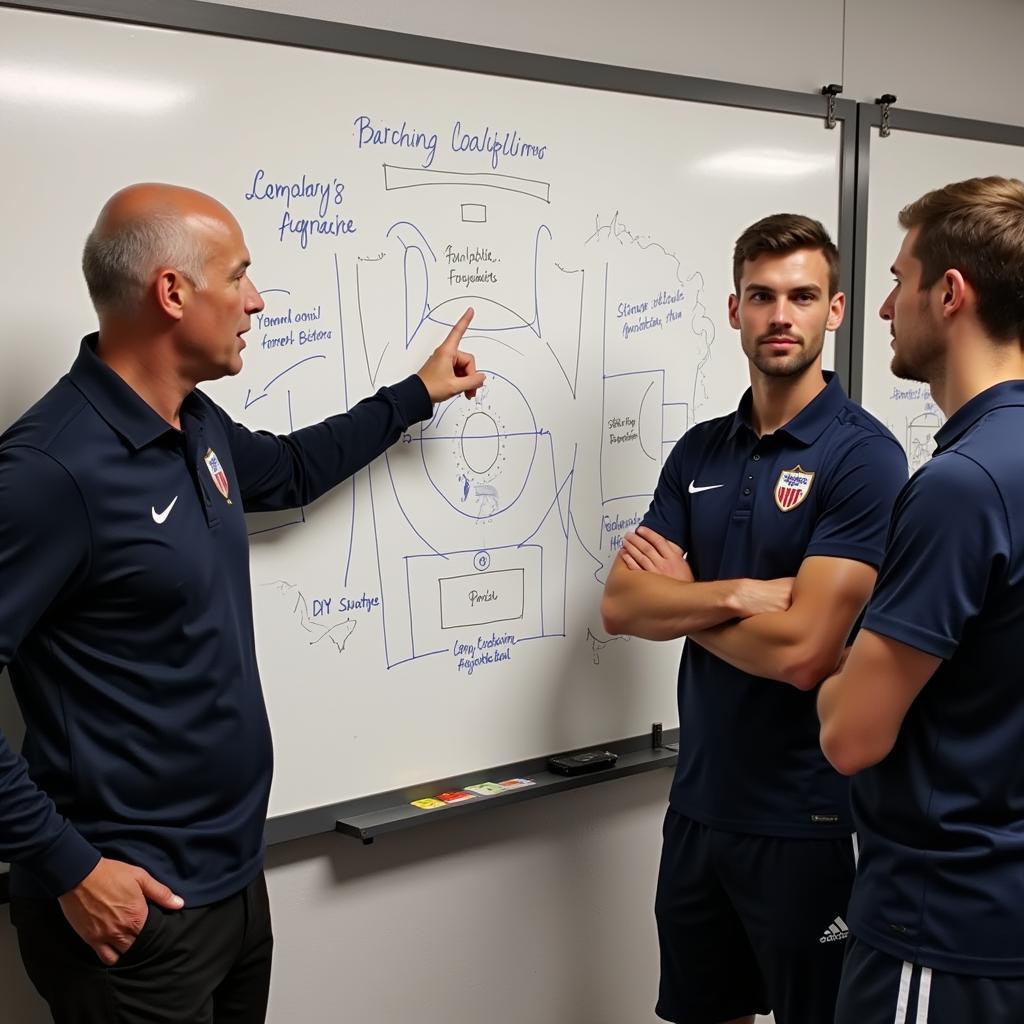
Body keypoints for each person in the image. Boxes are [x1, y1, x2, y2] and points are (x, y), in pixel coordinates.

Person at [0, 182, 484, 1023]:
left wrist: (418, 393)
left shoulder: (196, 425)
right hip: (131, 912)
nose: (256, 300)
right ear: (173, 292)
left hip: (232, 880)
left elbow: (294, 467)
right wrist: (69, 866)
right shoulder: (49, 471)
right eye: (240, 275)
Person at [601, 214, 907, 1024]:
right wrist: (741, 594)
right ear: (733, 309)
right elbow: (622, 604)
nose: (781, 316)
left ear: (835, 311)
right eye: (762, 296)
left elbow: (808, 652)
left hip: (808, 818)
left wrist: (688, 596)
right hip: (699, 805)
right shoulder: (699, 452)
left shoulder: (865, 457)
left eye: (802, 296)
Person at [818, 176, 1024, 1023]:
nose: (882, 308)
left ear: (950, 293)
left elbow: (848, 735)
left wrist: (837, 657)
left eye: (899, 280)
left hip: (941, 928)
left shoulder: (960, 487)